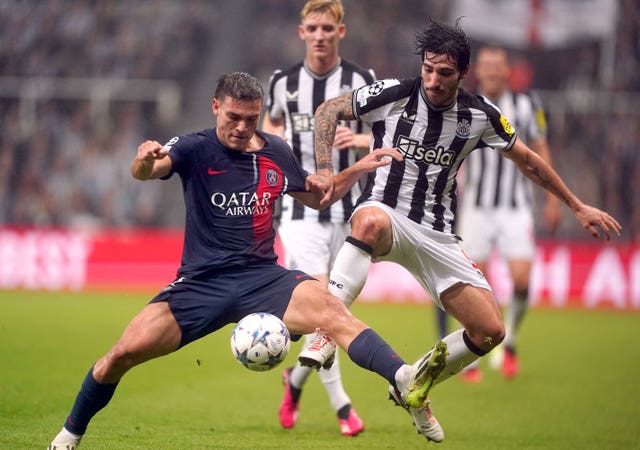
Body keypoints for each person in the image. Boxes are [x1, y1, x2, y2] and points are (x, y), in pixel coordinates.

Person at [46, 72, 448, 450]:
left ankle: (405, 379)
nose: (241, 127)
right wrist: (145, 159)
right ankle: (69, 435)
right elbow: (146, 172)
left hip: (263, 278)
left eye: (251, 119)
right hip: (201, 283)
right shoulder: (193, 147)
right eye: (234, 117)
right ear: (216, 107)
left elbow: (316, 197)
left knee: (335, 313)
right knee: (120, 355)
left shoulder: (275, 151)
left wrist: (358, 168)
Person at [298, 18, 622, 442]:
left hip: (437, 232)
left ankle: (415, 380)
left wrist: (576, 205)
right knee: (369, 218)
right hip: (386, 213)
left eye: (444, 73)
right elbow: (328, 110)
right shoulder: (394, 93)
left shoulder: (481, 115)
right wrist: (325, 171)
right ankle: (325, 331)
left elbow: (527, 159)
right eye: (428, 69)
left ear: (462, 74)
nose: (433, 80)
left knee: (491, 331)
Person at [262, 0, 373, 436]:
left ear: (341, 32)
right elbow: (268, 128)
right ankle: (343, 407)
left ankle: (295, 380)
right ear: (301, 32)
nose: (321, 34)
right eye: (313, 27)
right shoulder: (282, 83)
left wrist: (361, 137)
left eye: (329, 27)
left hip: (349, 208)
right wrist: (277, 140)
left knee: (333, 313)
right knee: (324, 307)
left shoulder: (361, 81)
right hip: (298, 209)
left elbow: (387, 131)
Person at [456, 45, 561, 383]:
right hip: (476, 207)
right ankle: (471, 355)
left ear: (507, 71)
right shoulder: (465, 104)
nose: (492, 72)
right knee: (475, 283)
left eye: (498, 66)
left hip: (516, 206)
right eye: (486, 66)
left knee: (521, 280)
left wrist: (552, 199)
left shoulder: (527, 105)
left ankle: (511, 338)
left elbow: (540, 146)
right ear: (477, 71)